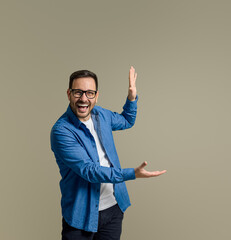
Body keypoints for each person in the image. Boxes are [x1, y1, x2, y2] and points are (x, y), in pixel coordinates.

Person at [50, 66, 166, 240]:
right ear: (68, 94)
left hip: (113, 209)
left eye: (89, 93)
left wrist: (131, 98)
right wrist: (131, 173)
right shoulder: (62, 131)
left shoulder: (101, 115)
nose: (83, 98)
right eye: (78, 92)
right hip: (81, 216)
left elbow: (127, 120)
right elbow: (89, 171)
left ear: (96, 96)